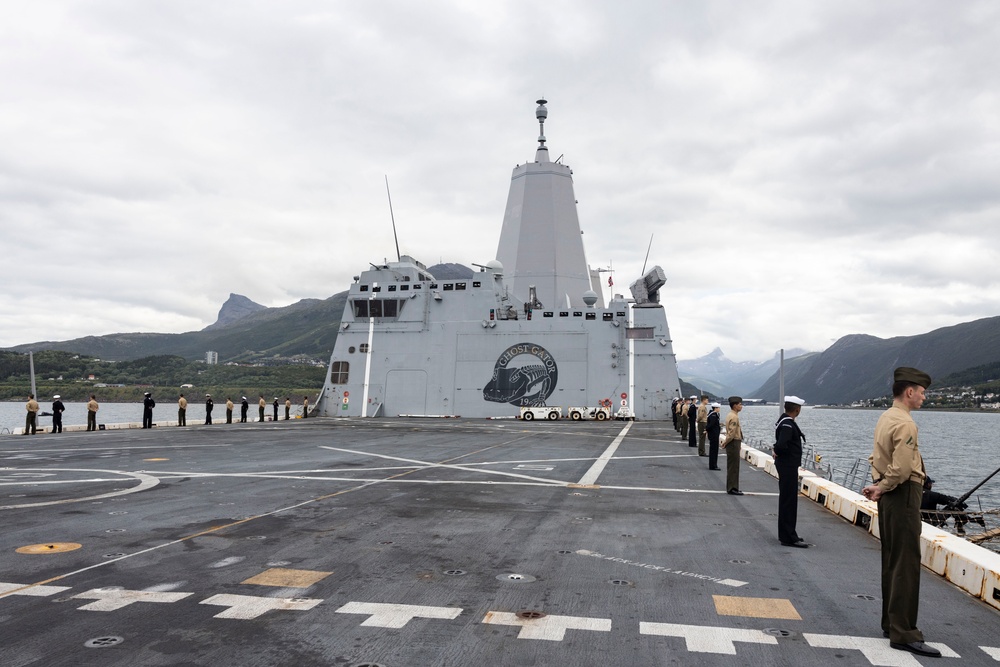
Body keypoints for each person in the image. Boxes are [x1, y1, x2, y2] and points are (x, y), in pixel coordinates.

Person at [861, 367, 941, 658]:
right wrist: (884, 486)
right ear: (909, 392)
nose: (924, 397)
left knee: (891, 558)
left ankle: (890, 623)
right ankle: (904, 632)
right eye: (922, 392)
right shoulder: (906, 424)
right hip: (904, 494)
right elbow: (904, 467)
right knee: (906, 562)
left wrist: (878, 484)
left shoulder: (885, 417)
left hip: (889, 495)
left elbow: (876, 456)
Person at [774, 396, 807, 548]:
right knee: (788, 501)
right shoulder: (787, 424)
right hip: (787, 466)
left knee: (788, 500)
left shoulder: (784, 421)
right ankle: (788, 537)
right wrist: (778, 451)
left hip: (786, 465)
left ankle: (788, 533)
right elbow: (781, 445)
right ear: (797, 409)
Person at [723, 396, 744, 495]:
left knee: (732, 466)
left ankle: (732, 487)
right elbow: (731, 433)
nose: (741, 406)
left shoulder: (730, 415)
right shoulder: (734, 417)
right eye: (740, 404)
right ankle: (732, 488)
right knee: (734, 467)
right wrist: (725, 442)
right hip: (733, 443)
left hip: (734, 442)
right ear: (735, 405)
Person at [706, 402, 722, 471]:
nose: (719, 409)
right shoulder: (713, 415)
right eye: (718, 408)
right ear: (715, 408)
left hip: (714, 434)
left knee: (714, 450)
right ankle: (713, 465)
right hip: (714, 435)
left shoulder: (713, 414)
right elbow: (711, 425)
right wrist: (706, 429)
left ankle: (713, 464)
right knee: (714, 450)